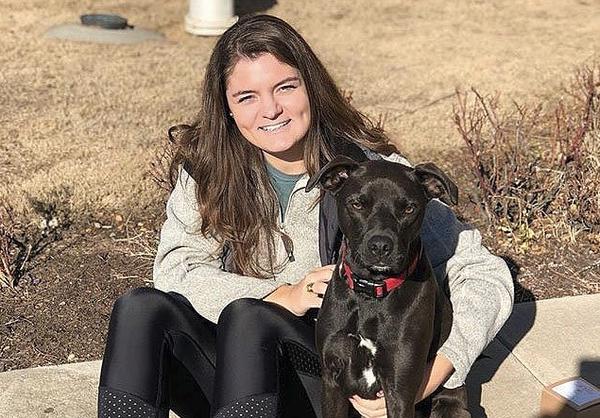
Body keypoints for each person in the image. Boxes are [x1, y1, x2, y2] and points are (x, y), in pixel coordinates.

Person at [98, 14, 514, 418]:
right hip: (234, 379)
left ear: (310, 87)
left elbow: (483, 273)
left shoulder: (370, 177)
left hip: (327, 377)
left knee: (250, 317)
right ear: (226, 107)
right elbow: (176, 270)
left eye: (285, 87)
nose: (271, 110)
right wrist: (282, 294)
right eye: (247, 97)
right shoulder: (209, 171)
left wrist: (437, 369)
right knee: (140, 309)